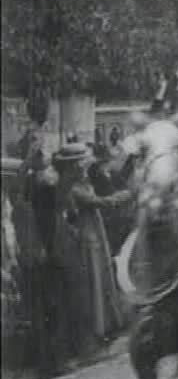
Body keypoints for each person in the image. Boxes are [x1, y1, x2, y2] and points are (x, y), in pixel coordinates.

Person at [51, 143, 132, 358]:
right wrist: (125, 195)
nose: (85, 165)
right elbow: (100, 202)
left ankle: (102, 331)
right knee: (94, 283)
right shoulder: (71, 188)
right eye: (81, 161)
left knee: (101, 279)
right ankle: (93, 336)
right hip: (87, 239)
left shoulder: (80, 182)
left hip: (95, 233)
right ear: (72, 165)